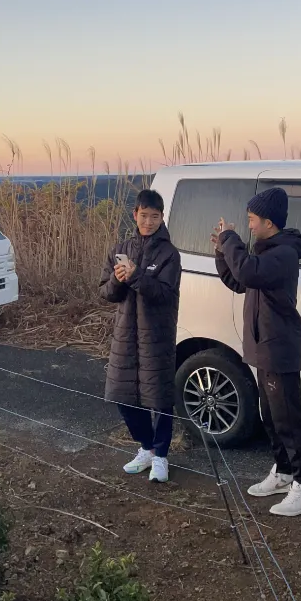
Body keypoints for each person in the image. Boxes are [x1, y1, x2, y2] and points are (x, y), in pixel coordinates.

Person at [216, 186, 301, 516]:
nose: (248, 226)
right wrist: (222, 251)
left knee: (288, 419)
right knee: (270, 417)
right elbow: (239, 281)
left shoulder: (283, 254)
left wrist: (229, 239)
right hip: (263, 345)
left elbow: (248, 271)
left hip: (279, 346)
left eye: (252, 220)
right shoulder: (265, 253)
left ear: (269, 222)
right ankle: (283, 472)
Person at [103, 189, 183, 482]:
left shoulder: (169, 254)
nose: (148, 222)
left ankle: (161, 455)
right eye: (143, 215)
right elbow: (106, 292)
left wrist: (136, 276)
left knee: (159, 397)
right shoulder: (119, 248)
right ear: (134, 214)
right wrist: (117, 279)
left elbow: (163, 293)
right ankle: (146, 447)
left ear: (162, 218)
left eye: (155, 216)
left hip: (156, 335)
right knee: (123, 395)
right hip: (126, 334)